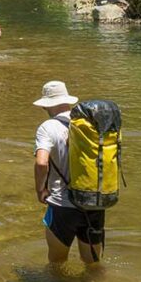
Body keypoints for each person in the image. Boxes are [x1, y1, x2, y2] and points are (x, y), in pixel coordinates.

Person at [33, 81, 103, 265]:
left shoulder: (47, 127)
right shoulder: (90, 123)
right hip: (94, 202)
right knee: (93, 265)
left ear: (47, 104)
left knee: (56, 264)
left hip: (63, 205)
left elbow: (41, 162)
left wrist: (40, 190)